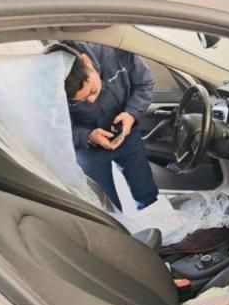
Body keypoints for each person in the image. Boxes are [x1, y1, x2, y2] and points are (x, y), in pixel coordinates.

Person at [47, 40, 159, 212]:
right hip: (87, 149)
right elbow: (56, 128)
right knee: (105, 207)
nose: (91, 100)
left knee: (146, 191)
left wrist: (131, 114)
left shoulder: (115, 52)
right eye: (81, 101)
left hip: (126, 134)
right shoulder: (48, 86)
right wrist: (87, 136)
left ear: (86, 62)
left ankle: (156, 215)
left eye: (91, 91)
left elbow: (144, 83)